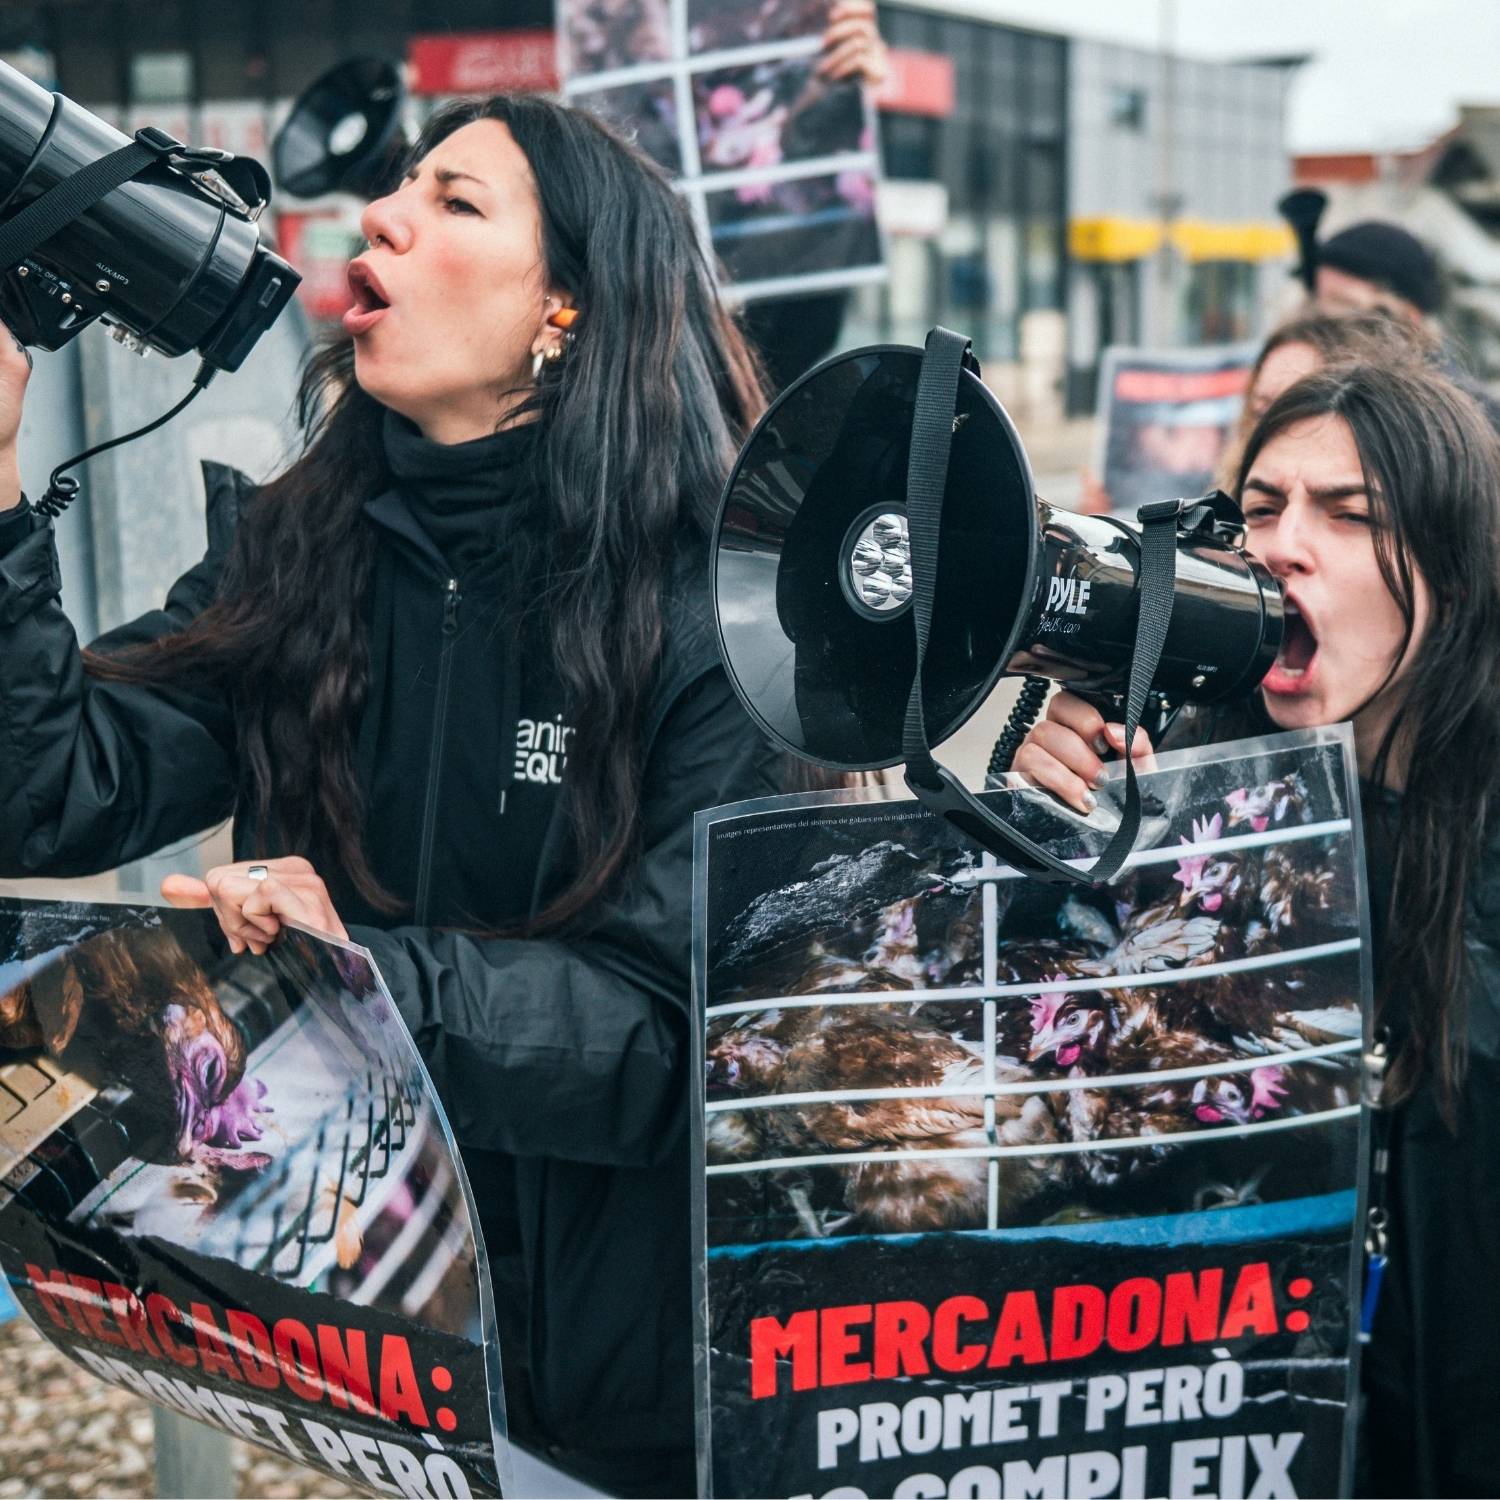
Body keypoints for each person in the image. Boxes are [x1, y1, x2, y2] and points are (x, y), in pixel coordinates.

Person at [0, 95, 781, 1495]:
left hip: (662, 1402)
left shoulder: (718, 612)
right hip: (392, 1381)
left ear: (571, 312)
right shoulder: (297, 554)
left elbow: (679, 1042)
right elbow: (52, 791)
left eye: (458, 202)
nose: (382, 215)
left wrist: (358, 989)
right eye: (394, 188)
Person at [1013, 357, 1500, 1496]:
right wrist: (1053, 828)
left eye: (1349, 515)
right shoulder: (1179, 792)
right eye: (1262, 509)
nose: (1281, 546)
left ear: (1454, 564)